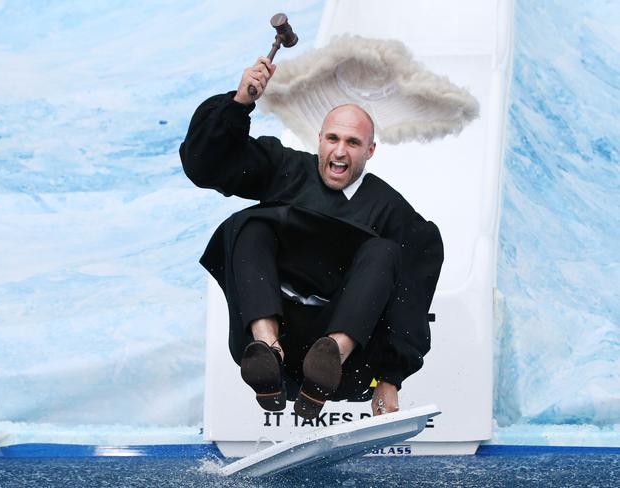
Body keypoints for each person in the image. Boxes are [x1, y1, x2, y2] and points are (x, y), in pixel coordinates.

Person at [180, 57, 443, 419]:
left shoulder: (392, 213)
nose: (339, 151)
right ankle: (266, 348)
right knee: (248, 224)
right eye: (332, 138)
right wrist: (239, 103)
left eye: (353, 143)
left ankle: (330, 356)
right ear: (318, 140)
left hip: (345, 363)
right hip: (273, 341)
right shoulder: (284, 170)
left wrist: (390, 378)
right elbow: (205, 166)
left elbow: (411, 298)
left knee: (384, 252)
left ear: (370, 151)